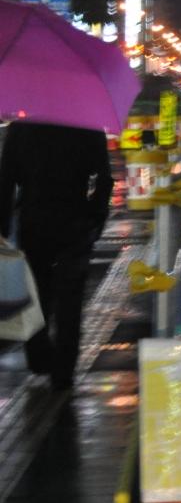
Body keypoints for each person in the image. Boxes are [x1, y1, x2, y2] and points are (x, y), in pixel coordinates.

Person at [0, 122, 113, 389]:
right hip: (75, 222)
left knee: (36, 290)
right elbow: (104, 178)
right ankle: (64, 370)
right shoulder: (87, 127)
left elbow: (6, 181)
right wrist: (95, 217)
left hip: (33, 221)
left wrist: (3, 228)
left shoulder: (21, 129)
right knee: (70, 297)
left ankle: (39, 356)